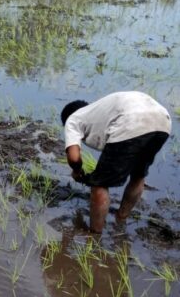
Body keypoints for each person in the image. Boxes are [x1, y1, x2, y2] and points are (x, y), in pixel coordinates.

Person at [61, 91, 171, 234]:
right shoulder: (97, 110)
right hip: (163, 121)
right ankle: (121, 218)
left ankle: (95, 235)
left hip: (131, 121)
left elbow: (74, 157)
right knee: (138, 175)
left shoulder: (73, 119)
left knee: (100, 183)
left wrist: (77, 171)